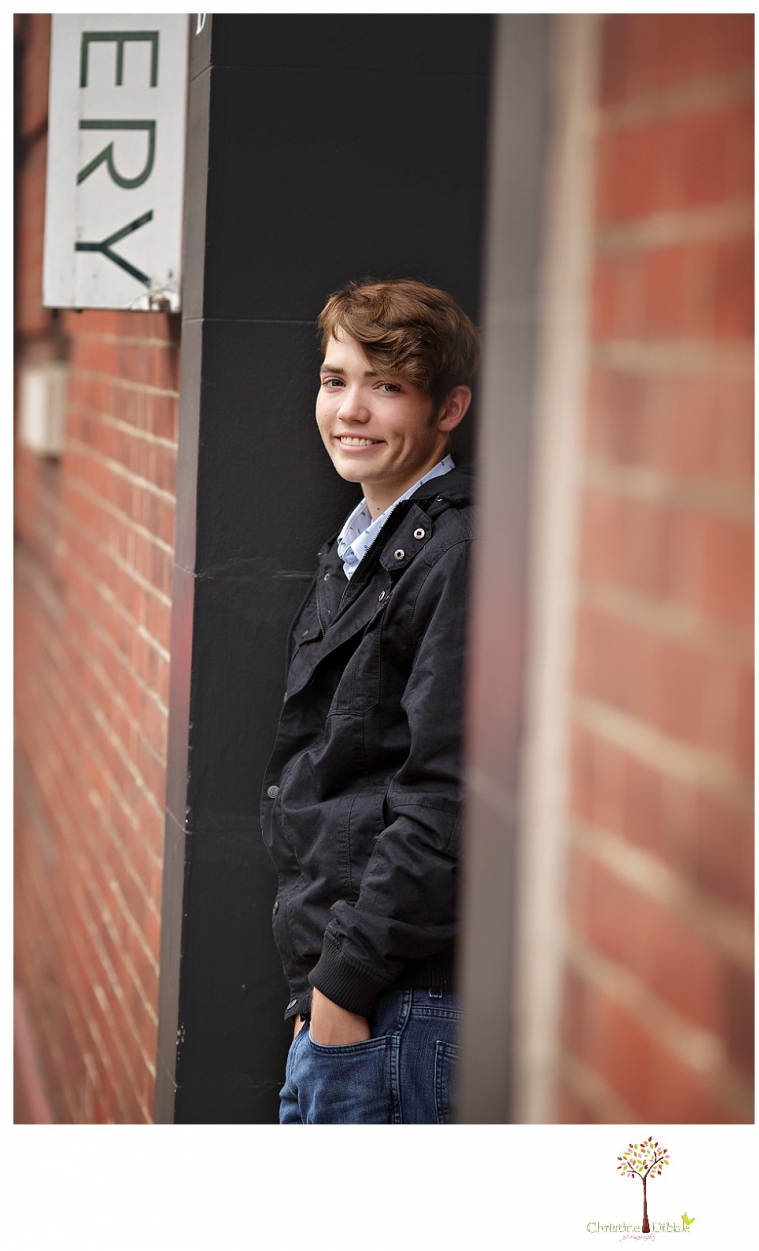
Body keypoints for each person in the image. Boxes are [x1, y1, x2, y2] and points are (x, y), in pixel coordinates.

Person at [260, 277, 479, 1123]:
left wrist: (343, 987)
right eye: (335, 379)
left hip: (399, 1007)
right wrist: (318, 995)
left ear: (448, 406)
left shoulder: (456, 555)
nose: (350, 409)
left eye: (386, 386)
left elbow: (449, 797)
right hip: (343, 998)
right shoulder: (365, 542)